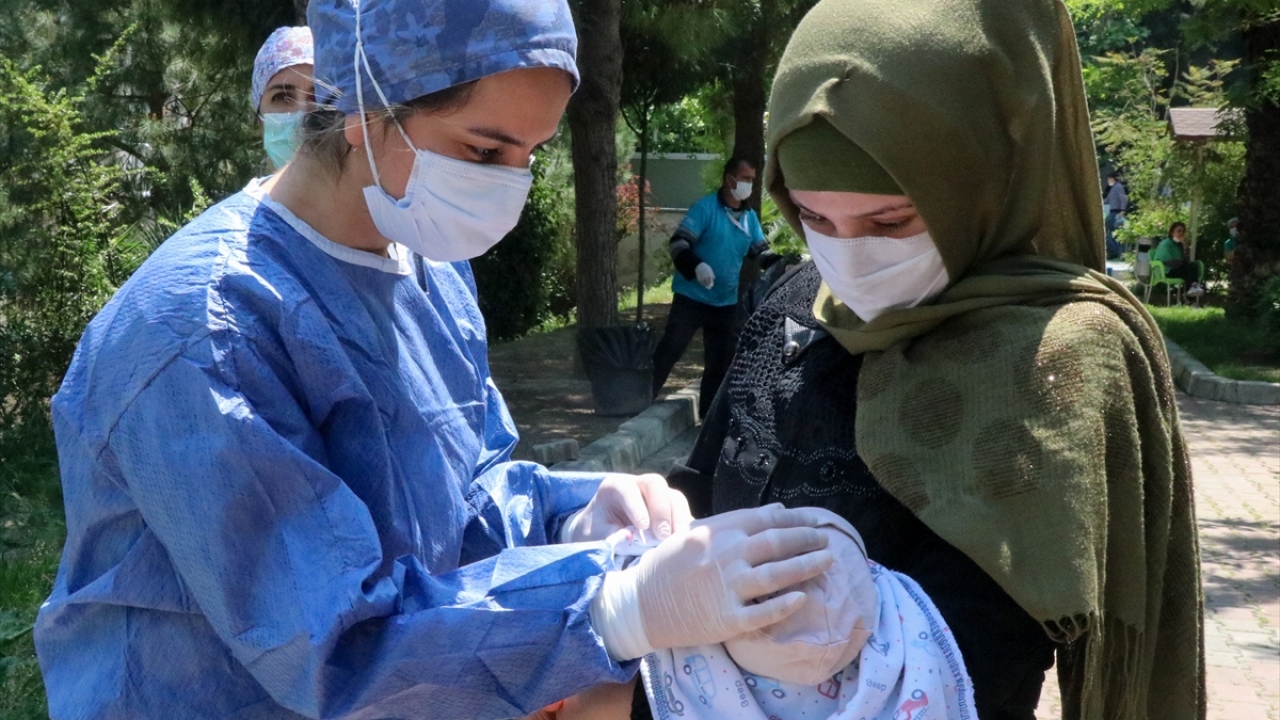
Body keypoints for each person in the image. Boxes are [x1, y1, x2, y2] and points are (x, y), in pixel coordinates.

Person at [33, 2, 839, 718]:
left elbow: (460, 496)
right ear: (363, 106)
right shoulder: (205, 333)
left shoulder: (424, 261)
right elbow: (333, 651)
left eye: (532, 152)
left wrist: (577, 510)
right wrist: (616, 608)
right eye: (485, 151)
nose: (510, 185)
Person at [668, 0, 1204, 717]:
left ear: (987, 180)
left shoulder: (1052, 359)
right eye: (814, 217)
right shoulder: (800, 296)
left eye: (891, 221)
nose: (851, 258)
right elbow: (701, 493)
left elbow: (969, 664)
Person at [652, 157, 779, 415]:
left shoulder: (749, 218)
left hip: (725, 303)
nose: (749, 184)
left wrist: (784, 263)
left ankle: (708, 420)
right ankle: (642, 397)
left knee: (719, 364)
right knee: (671, 348)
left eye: (752, 180)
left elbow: (760, 253)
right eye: (745, 179)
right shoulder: (705, 209)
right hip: (692, 298)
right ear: (728, 179)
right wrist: (696, 265)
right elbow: (678, 244)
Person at [252, 26, 316, 169]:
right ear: (259, 121)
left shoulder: (373, 190)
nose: (303, 113)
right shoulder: (253, 193)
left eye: (318, 97)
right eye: (281, 97)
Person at [1152, 221, 1205, 297]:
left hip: (1177, 268)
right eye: (1179, 231)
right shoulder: (1166, 244)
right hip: (1166, 270)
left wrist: (1185, 247)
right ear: (1172, 233)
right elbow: (1169, 262)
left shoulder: (1179, 245)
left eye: (1183, 231)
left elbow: (1187, 260)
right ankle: (1191, 293)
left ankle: (1193, 289)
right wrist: (1183, 263)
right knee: (1188, 269)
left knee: (1193, 266)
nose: (1181, 233)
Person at [1103, 173, 1128, 259]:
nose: (1107, 181)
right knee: (1111, 233)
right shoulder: (1114, 188)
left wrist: (1122, 210)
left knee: (1106, 230)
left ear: (1112, 179)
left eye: (1108, 179)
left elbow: (1123, 198)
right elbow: (1107, 200)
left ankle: (1114, 250)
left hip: (1116, 212)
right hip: (1112, 212)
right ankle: (1115, 251)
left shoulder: (1118, 187)